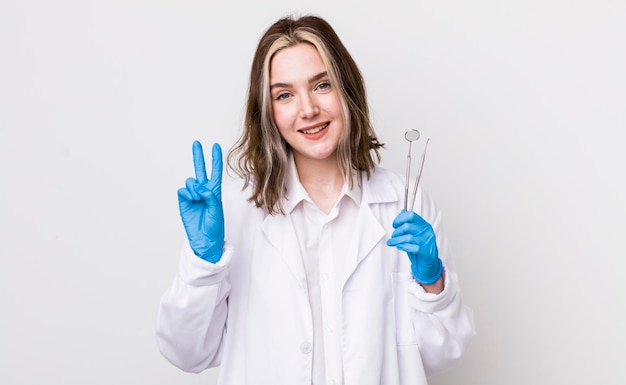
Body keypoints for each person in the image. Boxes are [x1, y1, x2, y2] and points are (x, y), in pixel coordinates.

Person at [156, 14, 475, 385]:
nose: (308, 109)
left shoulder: (404, 203)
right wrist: (203, 264)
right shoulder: (235, 212)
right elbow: (187, 352)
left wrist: (431, 281)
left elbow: (443, 353)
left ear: (347, 90)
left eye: (322, 85)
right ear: (268, 112)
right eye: (285, 95)